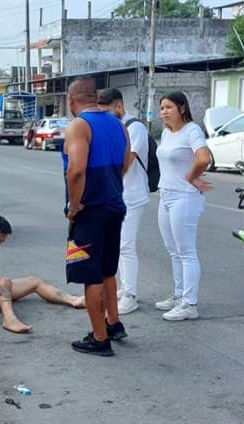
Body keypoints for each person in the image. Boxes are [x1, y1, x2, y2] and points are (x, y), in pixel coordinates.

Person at [65, 77, 132, 356]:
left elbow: (76, 170)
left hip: (90, 210)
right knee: (107, 269)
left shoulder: (79, 126)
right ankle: (114, 323)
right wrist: (112, 183)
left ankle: (99, 337)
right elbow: (128, 158)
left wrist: (75, 205)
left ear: (72, 101)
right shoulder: (118, 123)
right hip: (115, 205)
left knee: (89, 275)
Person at [0, 214, 86, 333]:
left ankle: (73, 300)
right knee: (4, 281)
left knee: (35, 281)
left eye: (2, 241)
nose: (0, 244)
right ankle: (9, 320)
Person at [155, 91, 212, 321]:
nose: (164, 112)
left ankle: (190, 304)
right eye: (161, 108)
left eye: (168, 107)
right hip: (166, 195)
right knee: (173, 251)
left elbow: (203, 158)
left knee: (186, 252)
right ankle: (179, 295)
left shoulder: (192, 130)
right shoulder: (167, 133)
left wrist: (190, 176)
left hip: (185, 197)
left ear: (182, 108)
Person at [97, 88, 150, 315]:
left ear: (119, 106)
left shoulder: (135, 127)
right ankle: (123, 288)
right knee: (117, 245)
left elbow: (126, 162)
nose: (105, 116)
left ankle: (130, 295)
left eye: (107, 111)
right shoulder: (113, 128)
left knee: (126, 246)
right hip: (117, 196)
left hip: (133, 195)